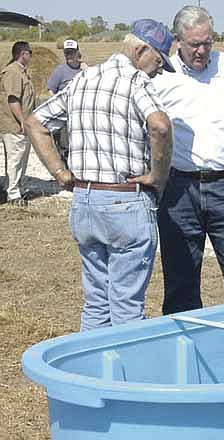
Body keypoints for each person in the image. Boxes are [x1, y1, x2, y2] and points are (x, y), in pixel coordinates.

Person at [23, 20, 174, 330]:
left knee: (96, 302)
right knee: (126, 306)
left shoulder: (81, 79)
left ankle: (89, 371)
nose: (159, 70)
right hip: (125, 202)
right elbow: (160, 125)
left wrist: (61, 173)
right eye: (158, 61)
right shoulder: (136, 82)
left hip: (85, 203)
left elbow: (34, 123)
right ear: (140, 50)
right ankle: (125, 376)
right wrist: (158, 176)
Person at [152, 6, 224, 315]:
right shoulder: (160, 76)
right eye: (194, 44)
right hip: (177, 190)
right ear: (178, 40)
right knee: (180, 285)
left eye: (208, 42)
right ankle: (187, 355)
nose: (202, 50)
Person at [0, 41, 35, 206]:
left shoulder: (21, 72)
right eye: (30, 53)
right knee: (15, 159)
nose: (32, 56)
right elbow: (13, 99)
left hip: (23, 124)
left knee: (21, 158)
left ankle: (18, 189)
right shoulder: (13, 72)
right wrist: (22, 121)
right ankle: (13, 194)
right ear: (23, 54)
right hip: (15, 125)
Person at [47, 39, 86, 163]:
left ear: (77, 53)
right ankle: (66, 172)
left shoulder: (84, 70)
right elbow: (51, 90)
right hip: (64, 116)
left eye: (71, 53)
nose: (68, 56)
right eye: (66, 53)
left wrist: (87, 69)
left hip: (81, 115)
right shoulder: (60, 70)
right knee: (65, 146)